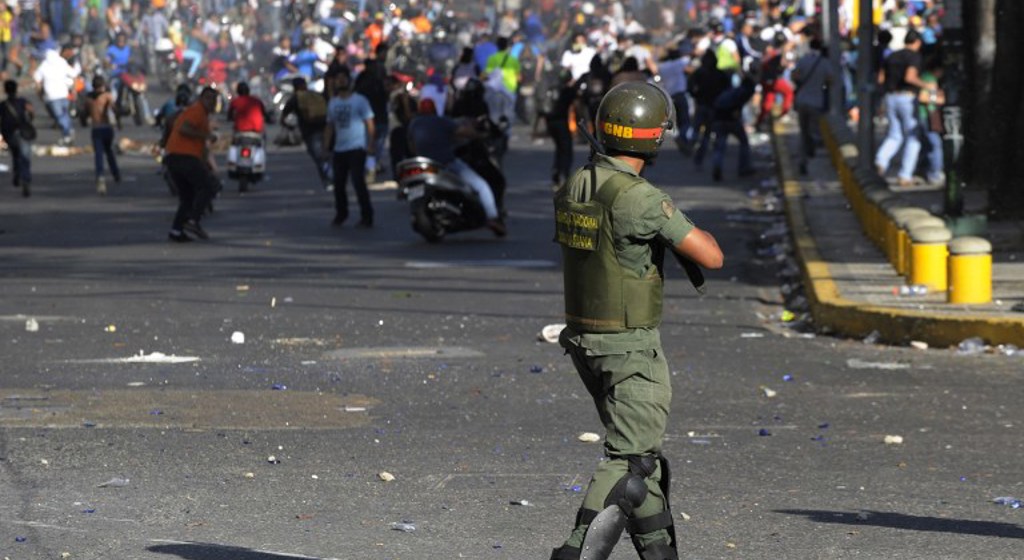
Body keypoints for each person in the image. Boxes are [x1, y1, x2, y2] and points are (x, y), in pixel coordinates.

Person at [549, 81, 724, 560]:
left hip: (587, 340)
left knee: (640, 459)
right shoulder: (640, 199)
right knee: (630, 462)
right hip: (629, 348)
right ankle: (575, 552)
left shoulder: (579, 182)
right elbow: (711, 255)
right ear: (653, 137)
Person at [407, 98, 506, 236]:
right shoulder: (442, 121)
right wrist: (481, 135)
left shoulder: (414, 124)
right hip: (446, 163)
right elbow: (464, 132)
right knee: (481, 185)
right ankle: (493, 217)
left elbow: (412, 146)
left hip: (425, 165)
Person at [874, 29, 936, 187]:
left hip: (890, 96)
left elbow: (880, 78)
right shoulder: (914, 57)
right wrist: (927, 86)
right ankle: (905, 175)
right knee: (913, 137)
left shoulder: (892, 55)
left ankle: (880, 162)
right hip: (907, 98)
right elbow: (910, 77)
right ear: (918, 43)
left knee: (894, 135)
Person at [164, 86, 220, 242]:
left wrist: (205, 163)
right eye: (208, 98)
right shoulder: (197, 111)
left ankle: (176, 231)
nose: (212, 102)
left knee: (187, 196)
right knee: (209, 186)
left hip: (175, 157)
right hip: (183, 156)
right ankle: (193, 221)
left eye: (214, 100)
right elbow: (184, 129)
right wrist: (207, 135)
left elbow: (201, 147)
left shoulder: (202, 115)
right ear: (201, 98)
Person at [323, 71, 375, 228]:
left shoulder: (360, 101)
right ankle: (341, 214)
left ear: (349, 82)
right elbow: (330, 126)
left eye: (344, 79)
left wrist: (370, 144)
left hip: (356, 148)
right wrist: (326, 146)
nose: (341, 82)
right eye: (338, 79)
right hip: (339, 149)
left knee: (358, 182)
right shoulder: (333, 103)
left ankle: (367, 215)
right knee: (338, 184)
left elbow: (369, 123)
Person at [791, 37, 838, 175]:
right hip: (816, 102)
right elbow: (831, 80)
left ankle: (803, 159)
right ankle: (811, 150)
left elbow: (794, 76)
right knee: (814, 131)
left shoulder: (804, 60)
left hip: (801, 100)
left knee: (804, 132)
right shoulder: (824, 63)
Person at [280, 76, 330, 189]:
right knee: (326, 154)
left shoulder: (295, 98)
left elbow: (283, 117)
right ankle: (330, 176)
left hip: (310, 133)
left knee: (318, 158)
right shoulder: (316, 95)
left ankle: (328, 178)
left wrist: (289, 126)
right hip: (325, 128)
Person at [32, 44, 78, 145]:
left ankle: (67, 133)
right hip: (63, 94)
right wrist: (73, 90)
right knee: (64, 115)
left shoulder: (44, 65)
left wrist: (39, 91)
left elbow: (36, 78)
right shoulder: (62, 62)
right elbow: (74, 74)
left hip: (52, 96)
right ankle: (69, 132)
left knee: (59, 116)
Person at [84, 75, 120, 195]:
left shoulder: (88, 99)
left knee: (98, 153)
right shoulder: (106, 96)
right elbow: (115, 109)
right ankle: (115, 173)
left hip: (96, 128)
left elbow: (84, 114)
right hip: (107, 128)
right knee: (109, 151)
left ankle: (100, 176)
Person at [0, 79, 34, 197]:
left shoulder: (3, 105)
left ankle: (17, 174)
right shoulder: (22, 101)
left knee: (15, 154)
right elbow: (30, 110)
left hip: (9, 134)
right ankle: (25, 178)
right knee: (25, 156)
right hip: (22, 132)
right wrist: (30, 119)